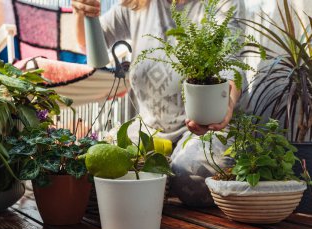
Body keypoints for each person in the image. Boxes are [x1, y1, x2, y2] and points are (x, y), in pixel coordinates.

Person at [72, 0, 245, 206]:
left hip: (207, 128)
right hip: (149, 132)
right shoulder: (138, 4)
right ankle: (161, 176)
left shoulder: (221, 3)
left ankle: (162, 176)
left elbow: (231, 65)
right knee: (96, 167)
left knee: (191, 179)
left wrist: (225, 104)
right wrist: (81, 13)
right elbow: (87, 45)